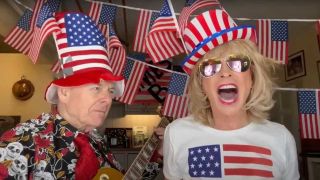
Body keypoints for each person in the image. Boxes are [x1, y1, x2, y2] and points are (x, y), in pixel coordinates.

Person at [163, 9, 299, 179]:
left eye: (237, 62)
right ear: (201, 85)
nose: (225, 73)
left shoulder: (282, 138)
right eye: (210, 66)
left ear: (252, 78)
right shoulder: (176, 134)